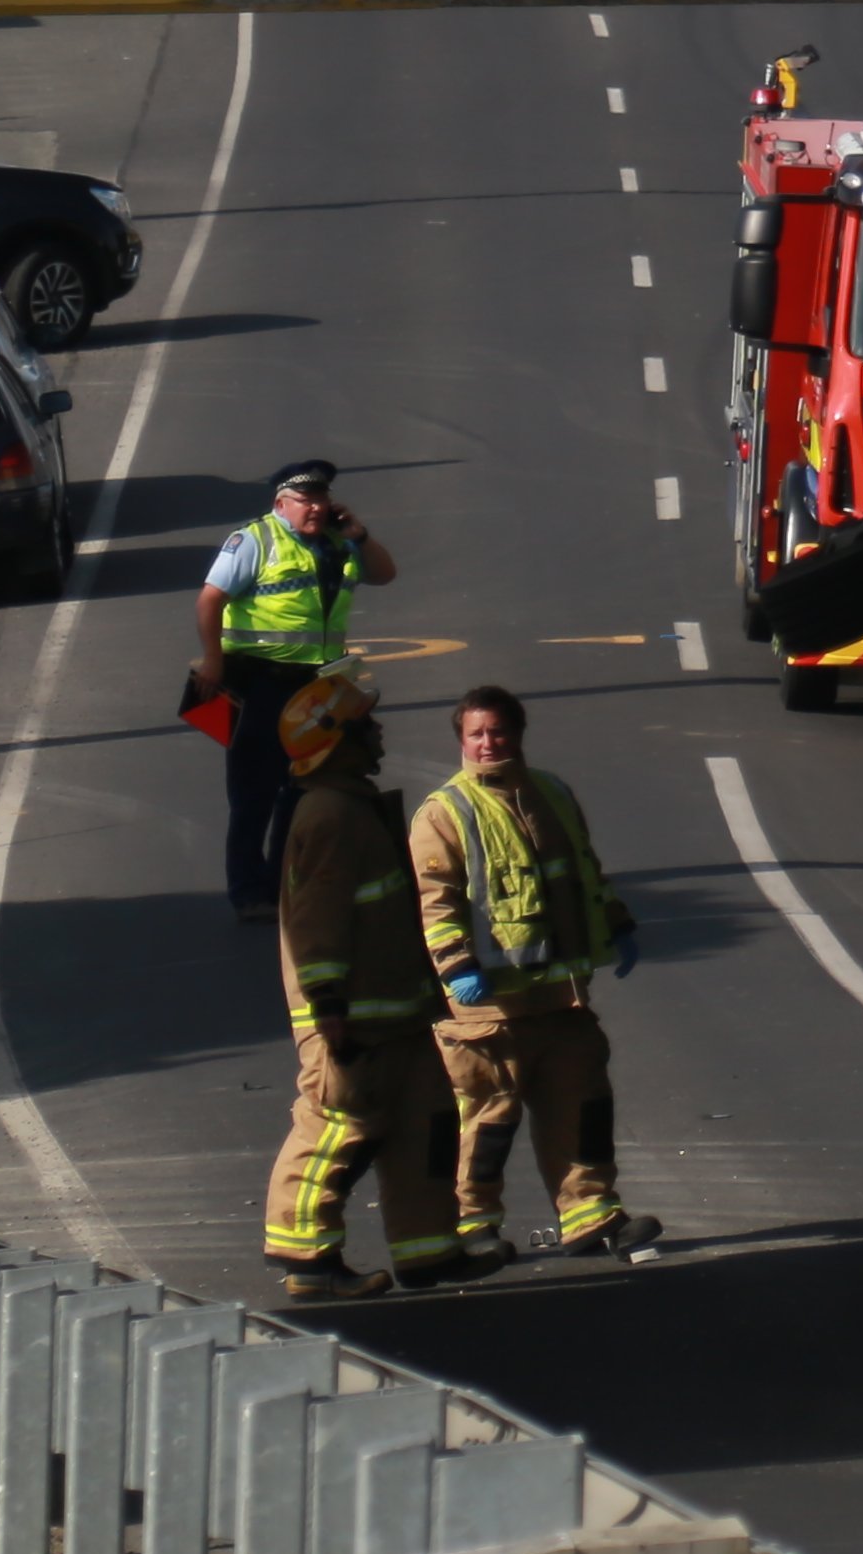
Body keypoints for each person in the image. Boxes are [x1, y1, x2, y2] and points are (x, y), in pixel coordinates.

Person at [408, 683, 662, 1266]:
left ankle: (591, 1216)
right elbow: (435, 902)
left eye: (498, 731)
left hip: (559, 999)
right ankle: (473, 1227)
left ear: (517, 734)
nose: (488, 742)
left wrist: (616, 922)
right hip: (487, 1011)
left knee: (584, 1108)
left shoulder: (552, 793)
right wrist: (456, 970)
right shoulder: (444, 813)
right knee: (488, 1123)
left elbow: (583, 869)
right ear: (461, 742)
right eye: (477, 734)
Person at [261, 673, 477, 1302]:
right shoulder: (328, 814)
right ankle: (306, 1257)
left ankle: (428, 1252)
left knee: (425, 1126)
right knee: (337, 1125)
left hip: (398, 1014)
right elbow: (316, 919)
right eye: (364, 725)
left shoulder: (350, 805)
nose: (377, 733)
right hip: (353, 1018)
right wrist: (328, 1008)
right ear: (336, 742)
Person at [191, 461, 397, 922]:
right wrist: (212, 659)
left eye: (322, 499)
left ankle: (287, 881)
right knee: (253, 792)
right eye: (307, 500)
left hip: (319, 683)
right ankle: (249, 892)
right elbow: (209, 600)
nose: (317, 508)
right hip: (258, 680)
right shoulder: (254, 540)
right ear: (280, 503)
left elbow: (385, 574)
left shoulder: (337, 542)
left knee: (303, 788)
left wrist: (359, 536)